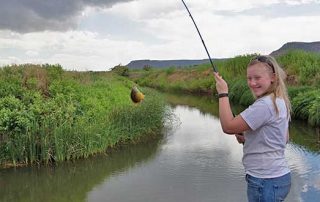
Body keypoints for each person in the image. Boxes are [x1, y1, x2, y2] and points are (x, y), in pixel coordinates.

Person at [213, 55, 291, 202]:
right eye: (249, 78)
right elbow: (284, 139)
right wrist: (248, 136)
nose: (252, 83)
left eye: (257, 78)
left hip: (265, 181)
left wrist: (223, 93)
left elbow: (228, 127)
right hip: (278, 178)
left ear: (273, 77)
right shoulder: (279, 101)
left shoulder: (265, 105)